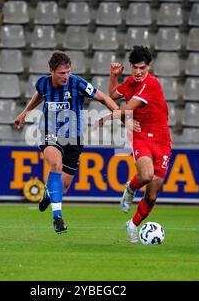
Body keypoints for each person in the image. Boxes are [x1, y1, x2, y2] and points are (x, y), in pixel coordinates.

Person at [14, 51, 120, 234]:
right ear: (52, 71)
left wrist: (119, 112)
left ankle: (48, 191)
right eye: (61, 73)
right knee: (55, 164)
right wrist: (25, 112)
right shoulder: (43, 83)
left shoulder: (77, 83)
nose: (65, 76)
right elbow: (39, 95)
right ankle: (58, 217)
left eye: (68, 72)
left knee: (63, 186)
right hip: (50, 132)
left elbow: (102, 97)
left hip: (74, 138)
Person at [99, 46, 172, 243]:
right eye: (135, 68)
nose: (138, 72)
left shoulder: (151, 83)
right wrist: (113, 75)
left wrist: (109, 116)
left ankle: (132, 225)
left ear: (148, 67)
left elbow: (127, 108)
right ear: (130, 67)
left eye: (142, 68)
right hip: (140, 135)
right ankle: (130, 188)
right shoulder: (131, 82)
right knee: (146, 175)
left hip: (162, 140)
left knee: (152, 195)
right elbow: (113, 94)